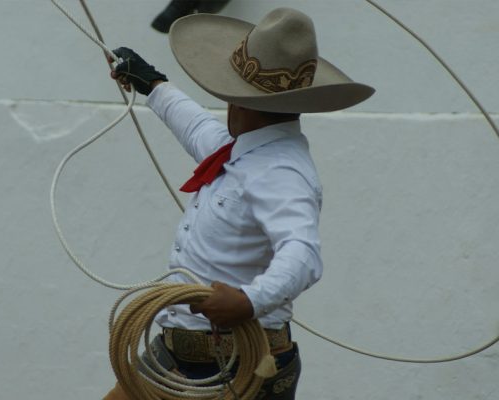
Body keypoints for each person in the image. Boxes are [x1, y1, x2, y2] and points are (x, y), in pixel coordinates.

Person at [103, 7, 374, 400]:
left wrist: (249, 301)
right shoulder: (249, 150)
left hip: (237, 368)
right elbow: (198, 128)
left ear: (238, 101)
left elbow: (302, 254)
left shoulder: (281, 171)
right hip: (183, 359)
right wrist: (153, 85)